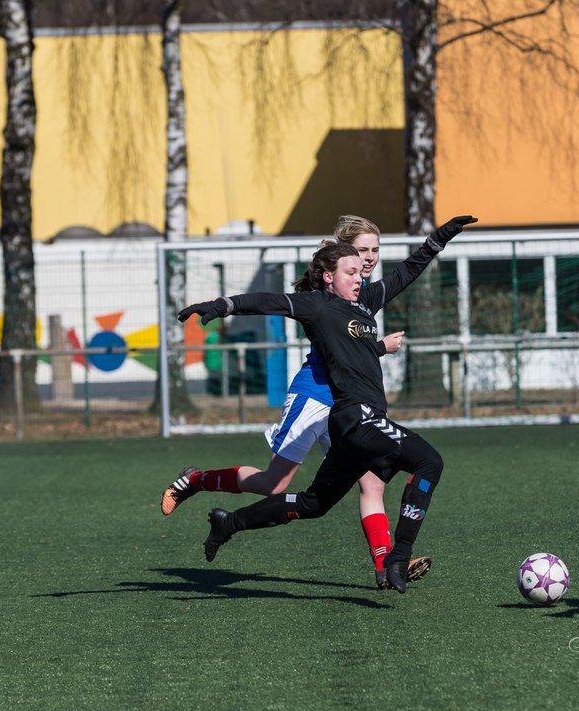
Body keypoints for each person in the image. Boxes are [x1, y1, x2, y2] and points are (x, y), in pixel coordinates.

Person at [178, 217, 476, 593]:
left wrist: (437, 240)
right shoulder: (317, 306)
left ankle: (230, 523)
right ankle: (396, 558)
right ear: (327, 277)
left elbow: (404, 276)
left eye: (367, 262)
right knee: (429, 461)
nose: (362, 274)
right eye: (352, 268)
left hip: (354, 419)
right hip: (351, 413)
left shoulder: (363, 301)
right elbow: (269, 302)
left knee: (313, 503)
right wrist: (223, 305)